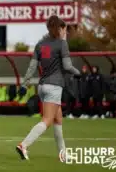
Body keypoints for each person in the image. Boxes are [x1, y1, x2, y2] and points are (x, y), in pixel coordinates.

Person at [16, 15, 80, 160]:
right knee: (47, 120)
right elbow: (67, 66)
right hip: (54, 86)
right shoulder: (62, 44)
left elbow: (32, 66)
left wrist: (25, 84)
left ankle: (63, 155)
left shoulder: (40, 44)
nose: (66, 33)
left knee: (58, 119)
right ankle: (23, 145)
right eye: (65, 29)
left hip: (42, 86)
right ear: (59, 29)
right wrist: (78, 73)